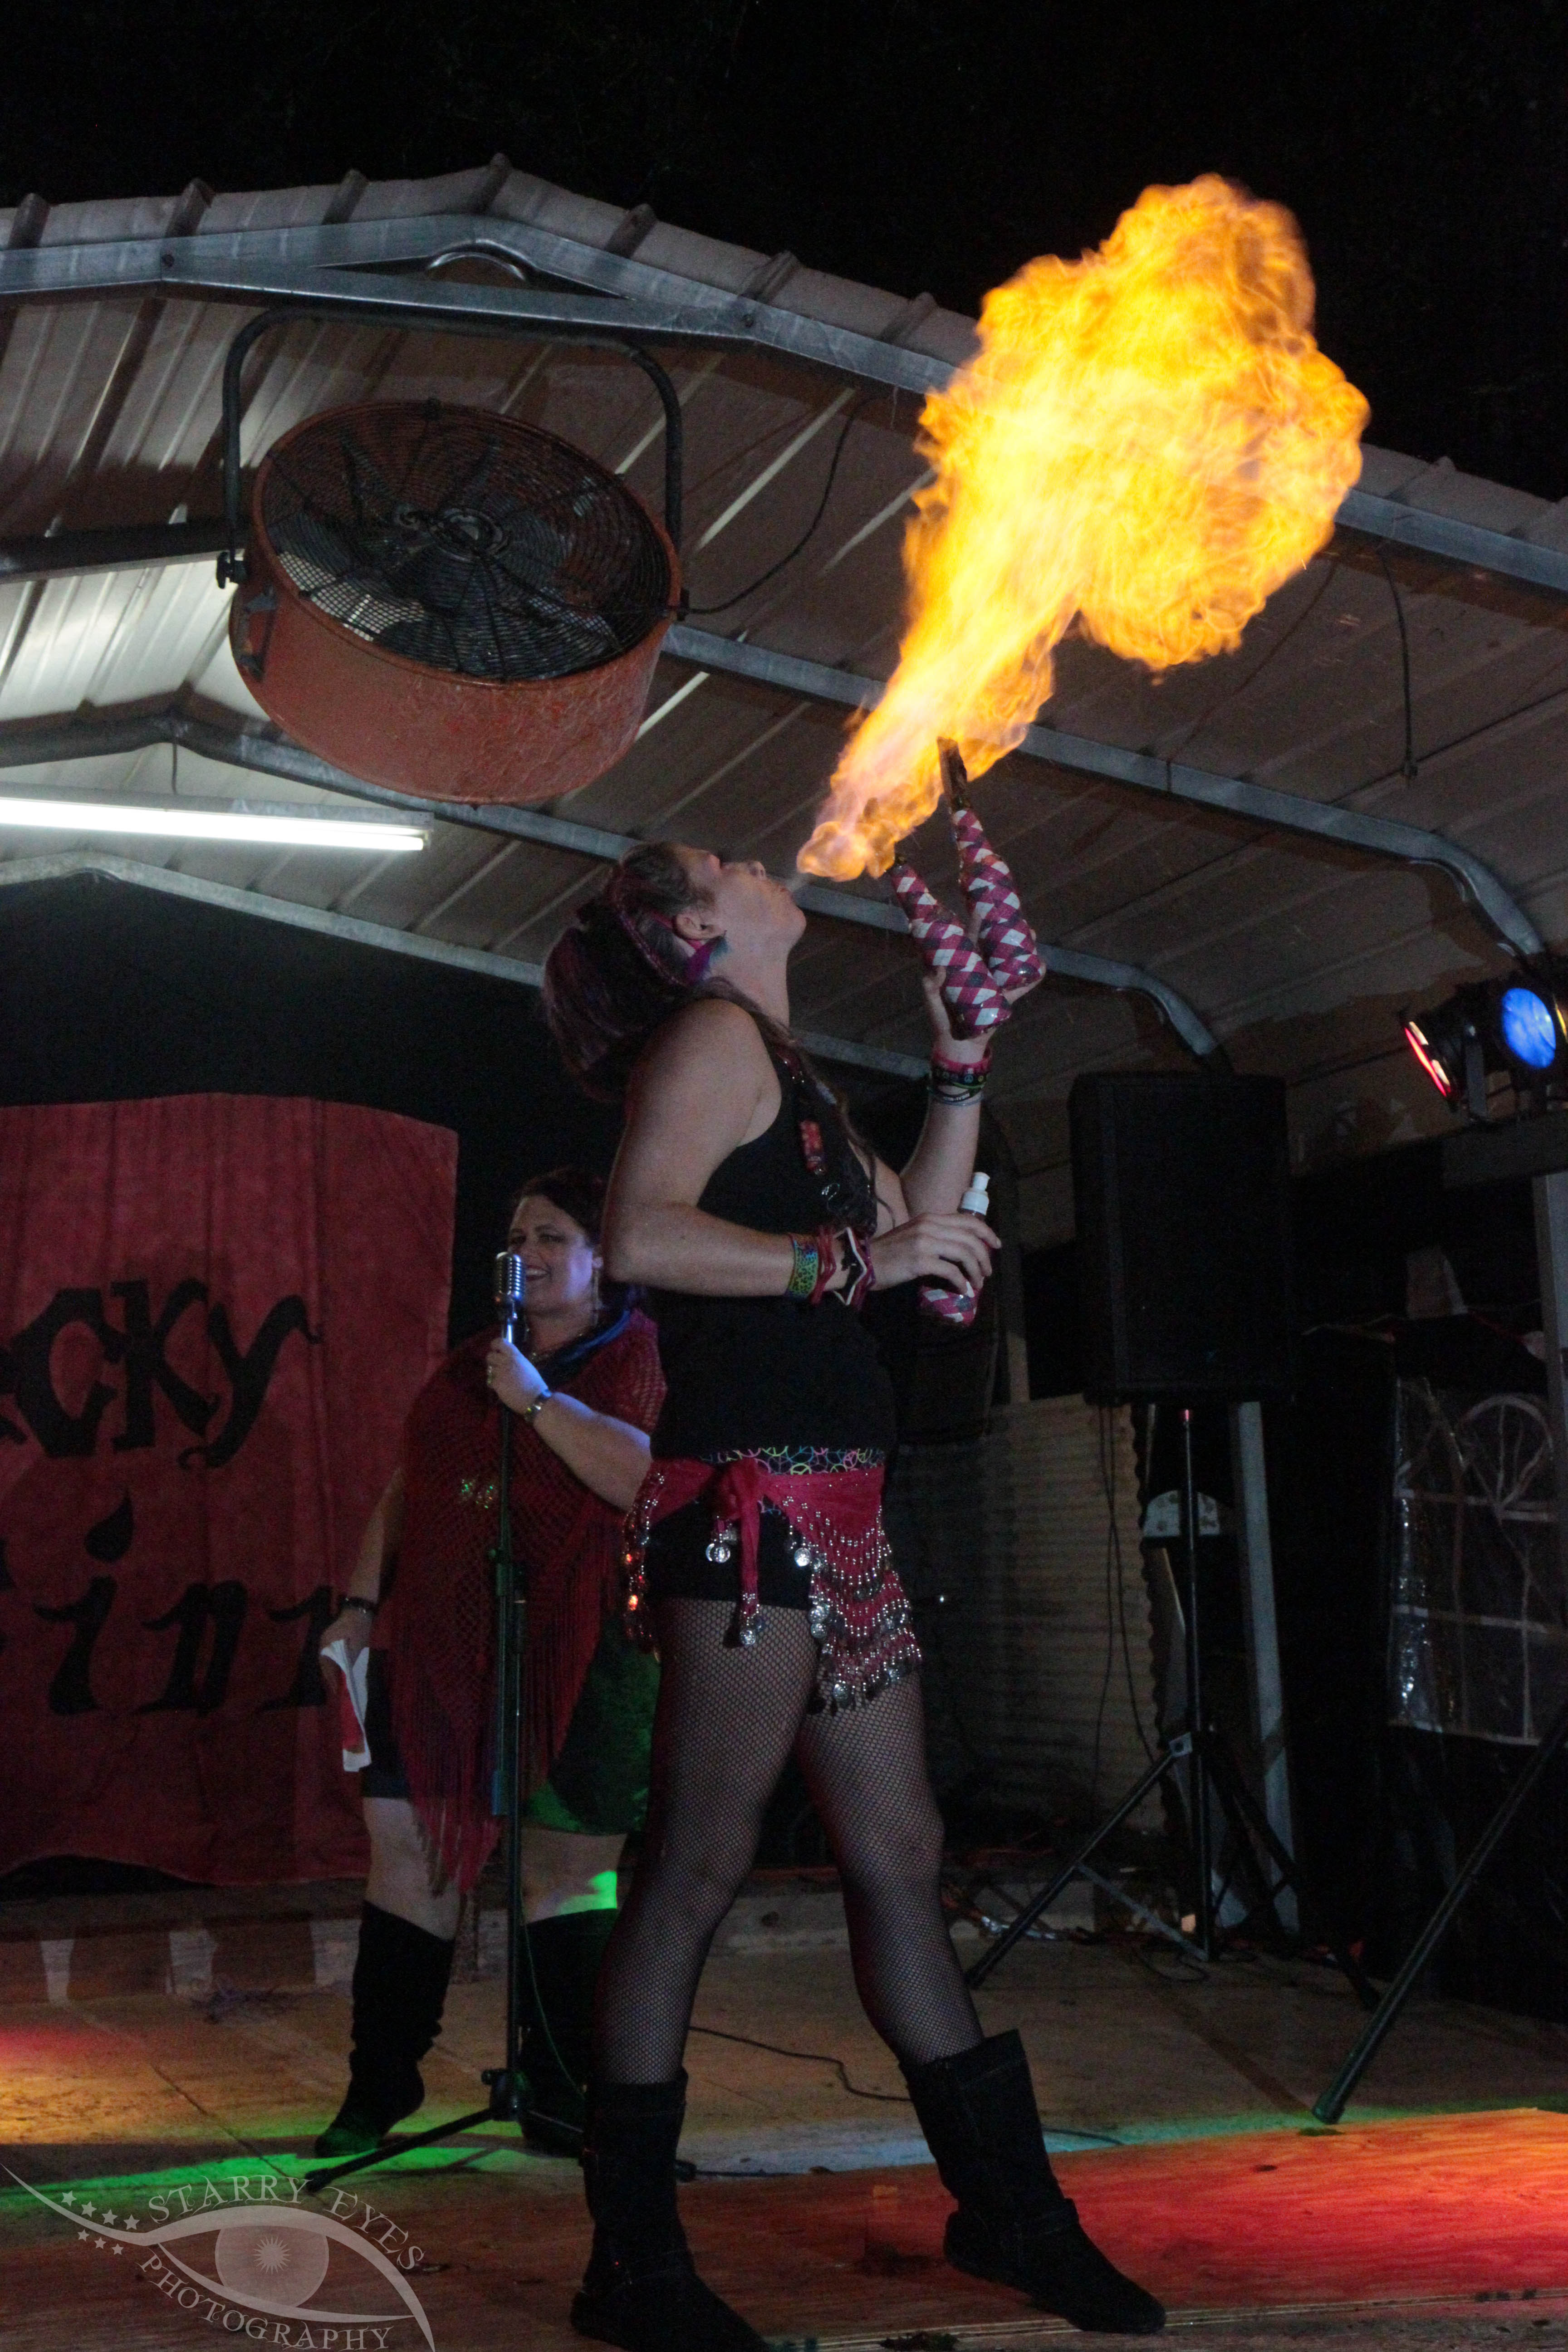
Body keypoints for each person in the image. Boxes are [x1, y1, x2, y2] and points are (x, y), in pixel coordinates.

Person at [540, 845, 1165, 2350]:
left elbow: (912, 1245)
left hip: (839, 1519)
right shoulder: (707, 1037)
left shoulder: (790, 1068)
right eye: (723, 864)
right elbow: (642, 1232)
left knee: (899, 1853)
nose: (757, 858)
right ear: (693, 928)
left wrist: (958, 1068)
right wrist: (848, 1259)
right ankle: (632, 2267)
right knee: (694, 1867)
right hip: (750, 1515)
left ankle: (1008, 2215)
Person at [315, 1168, 664, 2159]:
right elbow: (410, 1485)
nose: (528, 1255)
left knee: (565, 1873)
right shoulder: (472, 1364)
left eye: (553, 1237)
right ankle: (379, 2086)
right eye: (517, 1239)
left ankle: (561, 2091)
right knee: (407, 1848)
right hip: (442, 1644)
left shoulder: (637, 1357)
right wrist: (359, 1606)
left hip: (584, 1651)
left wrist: (539, 1402)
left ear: (604, 1259)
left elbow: (644, 1479)